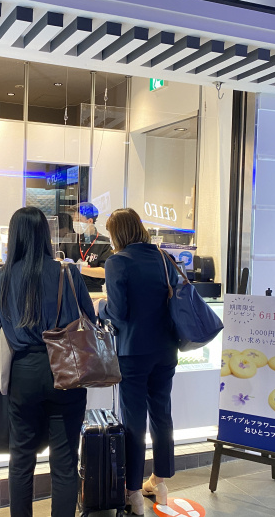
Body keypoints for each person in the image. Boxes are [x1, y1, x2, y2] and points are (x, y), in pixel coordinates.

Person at [0, 206, 95, 517]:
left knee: (21, 458)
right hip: (67, 370)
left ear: (14, 236)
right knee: (65, 460)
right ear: (46, 235)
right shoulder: (67, 273)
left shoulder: (3, 276)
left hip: (24, 373)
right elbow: (90, 318)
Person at [98, 208, 178, 514]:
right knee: (162, 415)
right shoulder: (163, 258)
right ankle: (160, 482)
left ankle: (132, 490)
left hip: (133, 353)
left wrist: (100, 306)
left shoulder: (117, 261)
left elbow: (118, 313)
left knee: (134, 422)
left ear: (118, 233)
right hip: (166, 350)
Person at [60, 203, 112, 292]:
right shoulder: (70, 238)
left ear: (90, 221)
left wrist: (78, 268)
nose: (75, 223)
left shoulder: (104, 242)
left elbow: (104, 272)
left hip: (93, 290)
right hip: (69, 288)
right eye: (74, 220)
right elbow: (59, 259)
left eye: (78, 220)